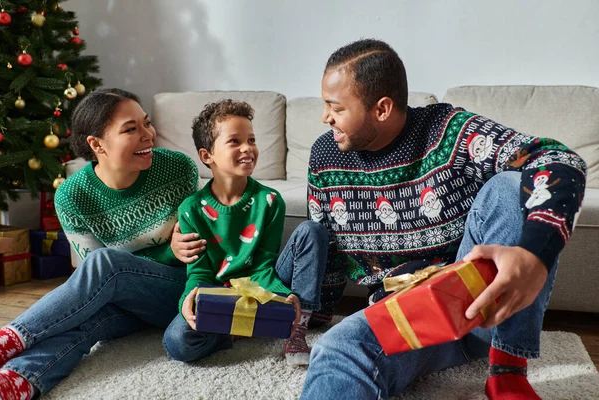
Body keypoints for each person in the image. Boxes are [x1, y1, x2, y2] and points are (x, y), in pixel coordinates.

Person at [300, 39, 587, 399]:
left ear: (383, 108)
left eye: (335, 107)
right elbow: (326, 243)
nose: (325, 117)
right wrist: (310, 316)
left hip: (480, 307)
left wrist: (536, 254)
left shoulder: (449, 130)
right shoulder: (325, 154)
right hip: (407, 316)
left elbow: (559, 159)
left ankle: (507, 369)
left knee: (510, 187)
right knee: (338, 348)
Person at [0, 88, 208, 399]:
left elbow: (188, 249)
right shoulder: (72, 196)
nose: (148, 135)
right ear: (96, 144)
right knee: (88, 321)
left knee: (105, 264)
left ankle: (11, 337)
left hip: (177, 291)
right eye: (131, 129)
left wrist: (170, 250)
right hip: (120, 302)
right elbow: (93, 285)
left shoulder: (178, 168)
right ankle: (18, 381)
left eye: (146, 123)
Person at [162, 99, 328, 366]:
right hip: (219, 294)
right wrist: (189, 298)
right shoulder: (190, 210)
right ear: (207, 156)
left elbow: (263, 263)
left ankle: (295, 329)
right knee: (177, 342)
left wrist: (281, 293)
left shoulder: (270, 201)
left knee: (312, 230)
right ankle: (244, 328)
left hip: (263, 285)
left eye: (251, 140)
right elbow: (200, 273)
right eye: (235, 141)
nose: (247, 148)